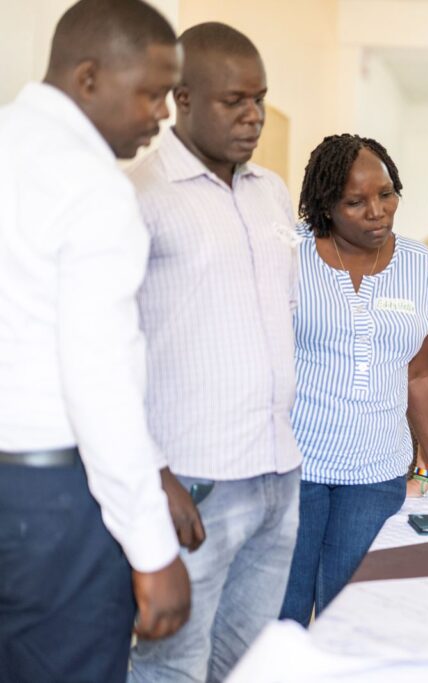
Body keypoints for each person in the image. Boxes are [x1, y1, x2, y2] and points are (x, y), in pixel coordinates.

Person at [0, 1, 189, 680]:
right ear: (87, 79)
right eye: (153, 91)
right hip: (49, 501)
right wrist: (152, 550)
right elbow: (98, 380)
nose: (163, 114)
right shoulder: (94, 190)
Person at [126, 23, 302, 682]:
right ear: (183, 98)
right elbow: (108, 350)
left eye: (260, 98)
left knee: (250, 663)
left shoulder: (272, 192)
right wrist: (153, 471)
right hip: (194, 483)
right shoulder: (140, 195)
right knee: (173, 665)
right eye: (235, 100)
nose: (253, 115)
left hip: (279, 471)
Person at [280, 134, 428, 625]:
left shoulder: (418, 267)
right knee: (280, 618)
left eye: (387, 193)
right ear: (324, 205)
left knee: (350, 618)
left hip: (375, 474)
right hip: (291, 467)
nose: (377, 211)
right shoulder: (288, 254)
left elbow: (418, 375)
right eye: (355, 202)